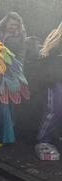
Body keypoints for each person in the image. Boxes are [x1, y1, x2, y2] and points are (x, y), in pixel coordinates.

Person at [34, 23, 62, 159]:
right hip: (55, 81)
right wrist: (48, 78)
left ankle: (56, 137)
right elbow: (44, 60)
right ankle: (43, 140)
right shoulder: (55, 43)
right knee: (55, 109)